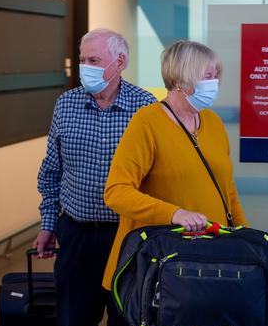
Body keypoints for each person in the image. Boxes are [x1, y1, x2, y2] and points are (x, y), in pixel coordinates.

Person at [33, 28, 156, 326]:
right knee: (73, 325)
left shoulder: (146, 108)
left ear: (120, 61)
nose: (85, 67)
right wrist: (49, 224)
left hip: (127, 237)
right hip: (77, 234)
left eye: (94, 59)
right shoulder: (66, 104)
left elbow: (157, 177)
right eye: (82, 59)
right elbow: (51, 170)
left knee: (126, 324)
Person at [102, 40, 249, 294]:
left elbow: (228, 190)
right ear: (182, 80)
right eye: (208, 76)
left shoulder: (212, 122)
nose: (215, 83)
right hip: (160, 265)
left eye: (216, 76)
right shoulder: (146, 123)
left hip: (208, 259)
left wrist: (244, 237)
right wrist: (174, 214)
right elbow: (116, 191)